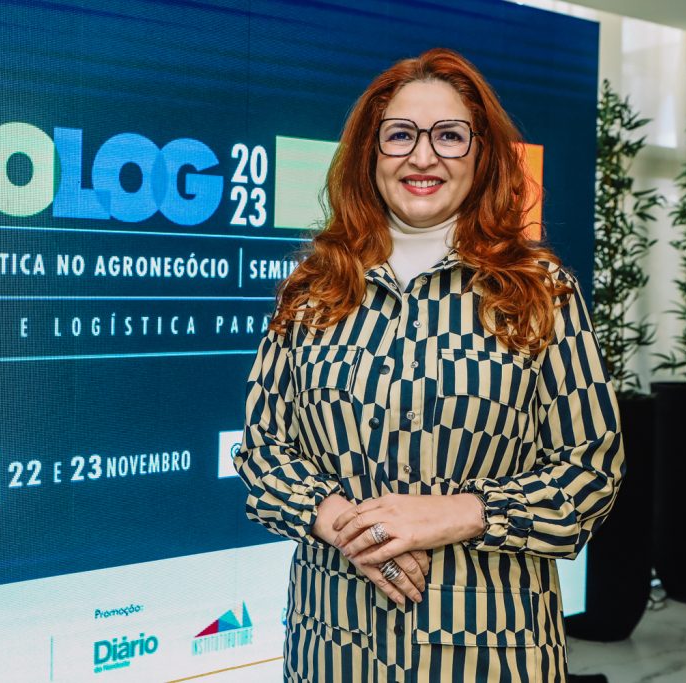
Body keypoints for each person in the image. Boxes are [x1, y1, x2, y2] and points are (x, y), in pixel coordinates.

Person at [234, 48, 624, 683]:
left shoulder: (540, 290)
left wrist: (455, 513)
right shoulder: (313, 289)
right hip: (334, 642)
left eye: (449, 135)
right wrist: (351, 530)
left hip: (493, 648)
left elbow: (591, 471)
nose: (423, 156)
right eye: (400, 135)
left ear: (482, 153)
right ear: (370, 153)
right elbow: (262, 453)